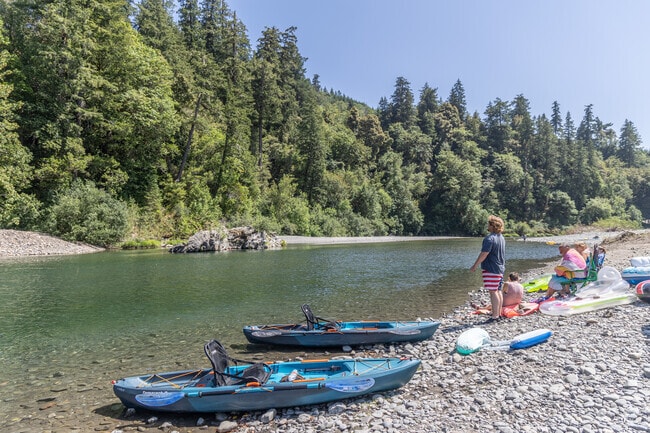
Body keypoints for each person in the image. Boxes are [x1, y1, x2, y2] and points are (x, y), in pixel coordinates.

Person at [470, 215, 506, 321]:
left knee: (493, 291)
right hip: (500, 268)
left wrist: (475, 265)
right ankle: (498, 314)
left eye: (488, 224)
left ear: (492, 225)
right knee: (498, 291)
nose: (487, 225)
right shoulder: (501, 238)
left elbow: (484, 253)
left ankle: (495, 316)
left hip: (491, 268)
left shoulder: (489, 238)